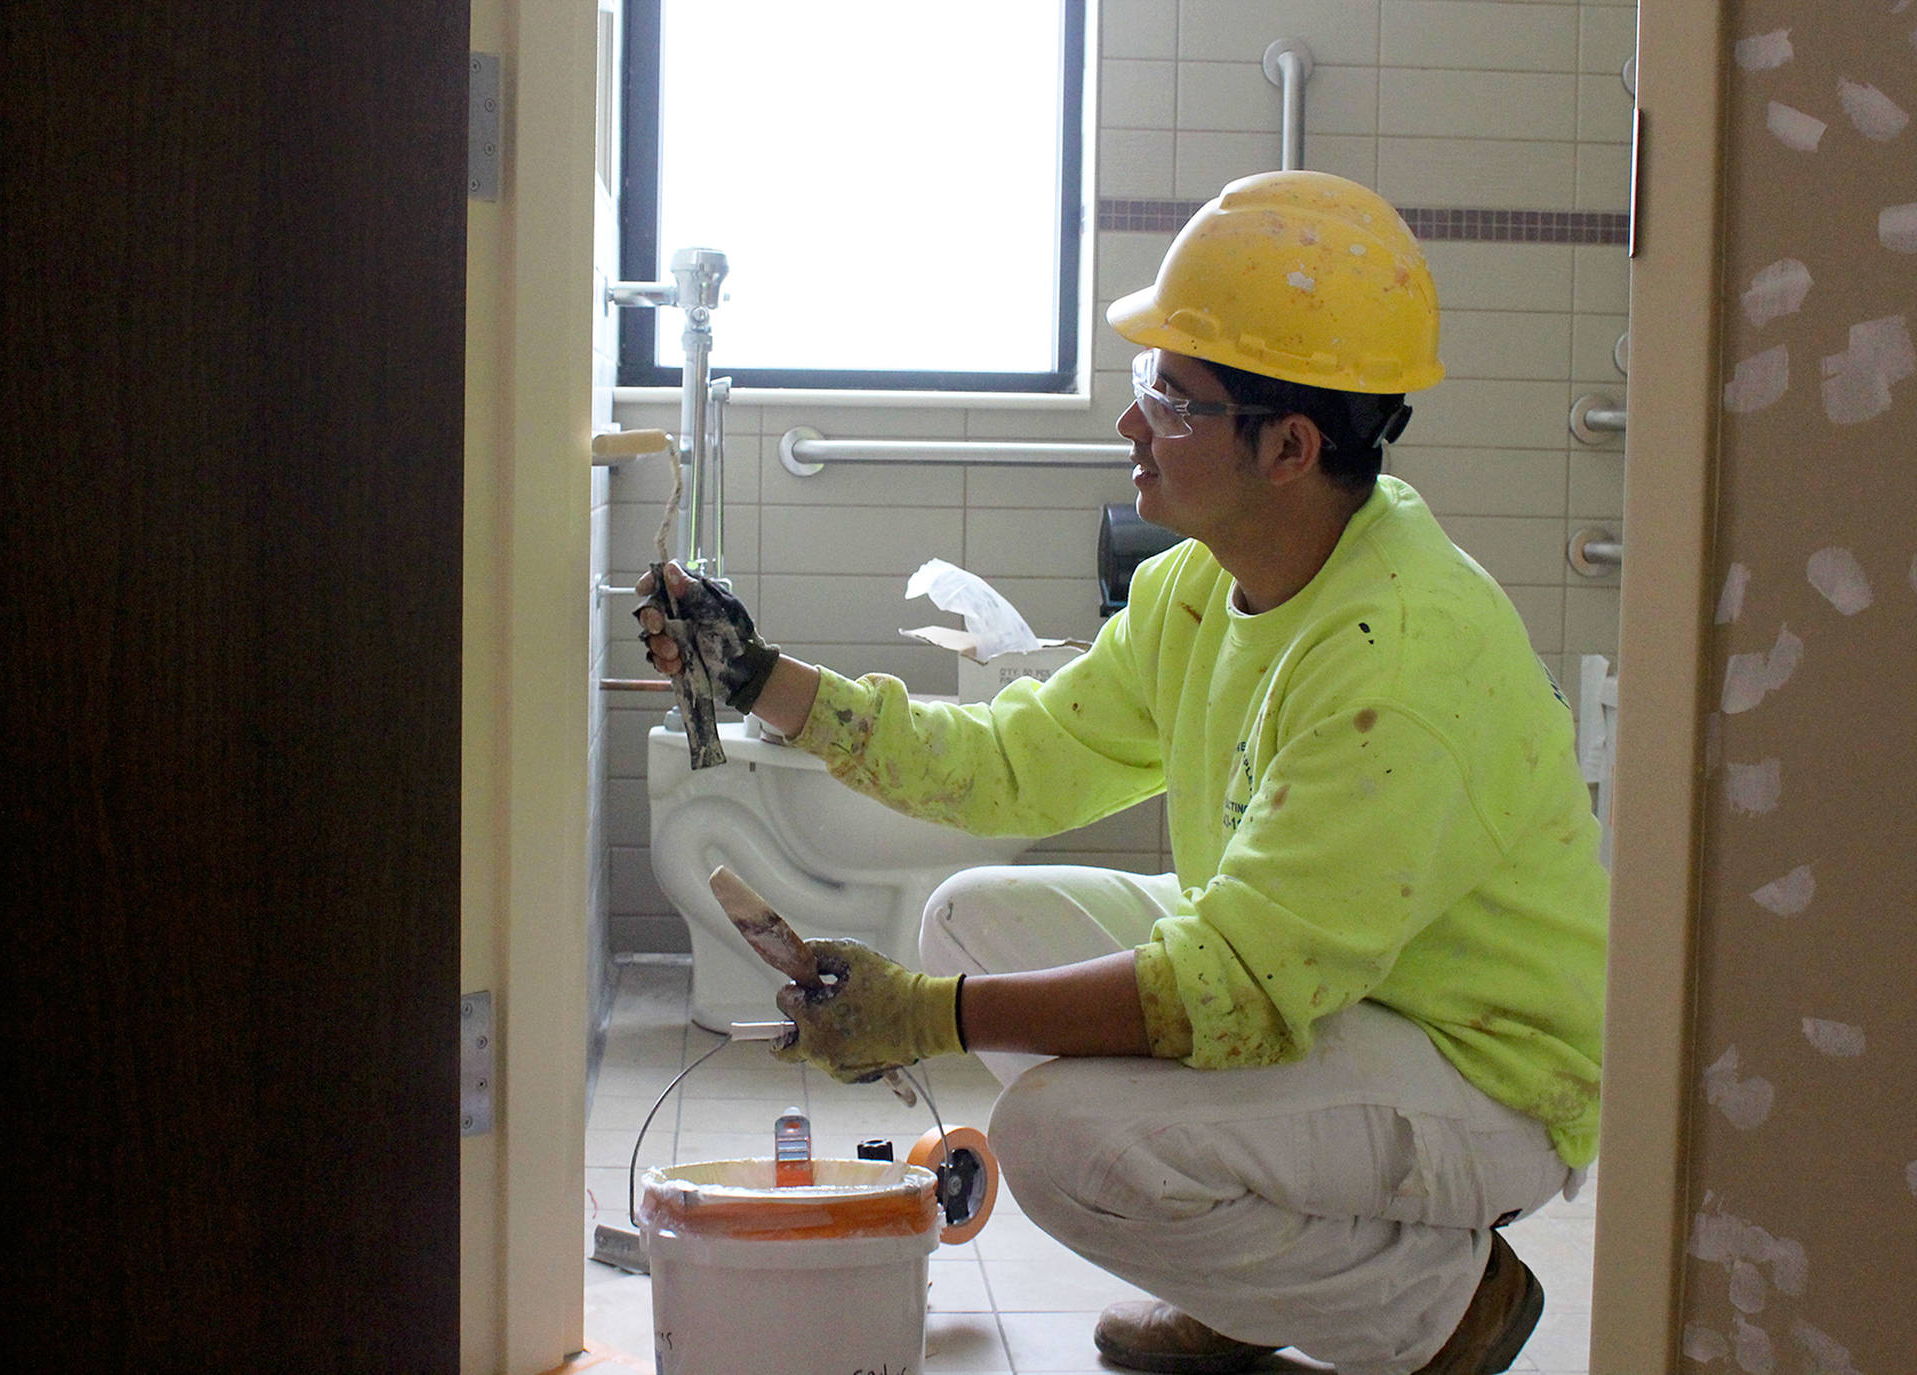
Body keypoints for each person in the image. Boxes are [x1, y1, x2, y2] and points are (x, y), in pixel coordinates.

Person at [636, 170, 1607, 1375]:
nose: (1130, 424)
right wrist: (762, 677)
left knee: (1058, 1144)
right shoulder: (1205, 582)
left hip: (1477, 1064)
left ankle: (1441, 1304)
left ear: (1290, 446)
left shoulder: (1396, 666)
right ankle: (1254, 1288)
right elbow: (1012, 764)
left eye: (1172, 397)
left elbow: (1232, 989)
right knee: (966, 921)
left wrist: (925, 1021)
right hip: (1341, 987)